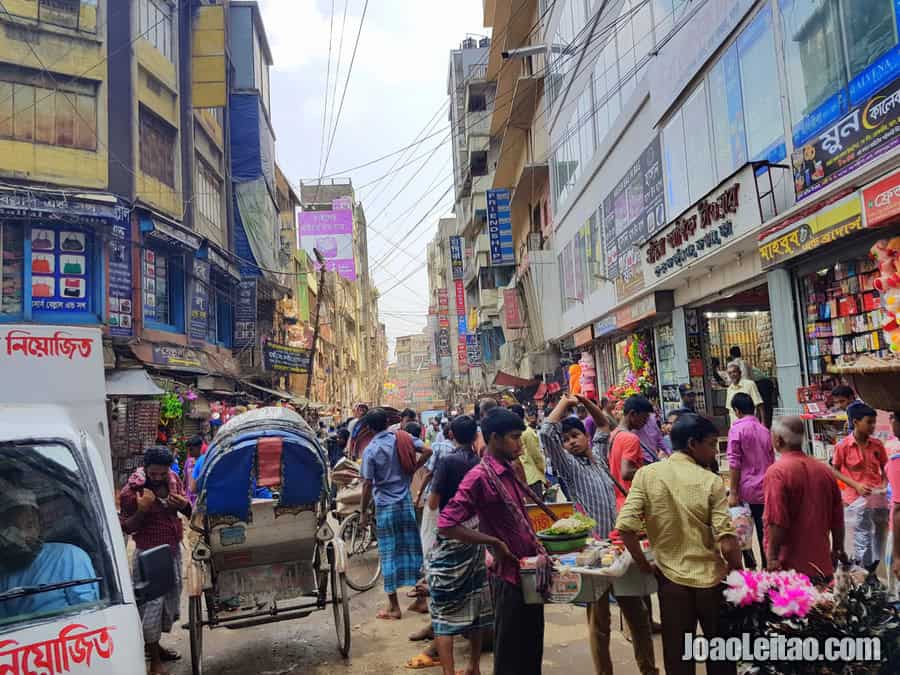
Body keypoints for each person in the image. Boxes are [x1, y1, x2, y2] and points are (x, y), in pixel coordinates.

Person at [616, 413, 741, 675]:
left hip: (671, 581)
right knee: (720, 653)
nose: (714, 452)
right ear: (693, 444)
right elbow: (727, 542)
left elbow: (625, 527)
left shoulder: (647, 475)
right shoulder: (711, 481)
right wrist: (736, 571)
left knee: (678, 656)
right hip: (712, 582)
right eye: (711, 444)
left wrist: (644, 564)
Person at [541, 395, 656, 675]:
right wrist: (565, 403)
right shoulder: (569, 467)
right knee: (599, 622)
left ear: (585, 436)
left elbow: (605, 425)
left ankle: (649, 670)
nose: (571, 442)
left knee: (638, 615)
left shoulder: (600, 461)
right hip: (593, 554)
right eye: (566, 439)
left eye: (576, 435)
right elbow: (546, 432)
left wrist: (585, 401)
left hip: (618, 547)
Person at [438, 409, 543, 675]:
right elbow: (447, 523)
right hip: (508, 577)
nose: (520, 444)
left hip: (529, 572)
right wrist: (492, 543)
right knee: (509, 654)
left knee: (532, 649)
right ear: (494, 438)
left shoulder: (509, 469)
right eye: (515, 438)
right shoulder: (479, 476)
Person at [426, 415, 491, 675]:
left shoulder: (448, 462)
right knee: (475, 605)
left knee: (442, 612)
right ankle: (473, 666)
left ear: (451, 434)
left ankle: (449, 672)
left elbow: (433, 503)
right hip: (475, 539)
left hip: (450, 536)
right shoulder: (480, 463)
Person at [119, 446, 190, 674]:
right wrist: (142, 510)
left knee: (167, 604)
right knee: (151, 608)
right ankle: (154, 663)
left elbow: (189, 510)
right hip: (149, 556)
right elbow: (125, 527)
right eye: (153, 474)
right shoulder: (131, 492)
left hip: (173, 550)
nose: (158, 478)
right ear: (146, 469)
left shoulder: (174, 479)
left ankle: (155, 647)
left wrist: (184, 506)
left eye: (162, 473)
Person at [359, 408, 428, 620]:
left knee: (388, 553)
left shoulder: (371, 450)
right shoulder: (404, 437)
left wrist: (363, 512)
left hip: (385, 507)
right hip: (405, 503)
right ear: (389, 421)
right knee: (413, 550)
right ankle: (421, 600)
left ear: (369, 428)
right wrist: (413, 468)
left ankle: (394, 607)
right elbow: (428, 451)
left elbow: (367, 485)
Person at [0, 482, 99, 621]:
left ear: (39, 525)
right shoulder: (4, 571)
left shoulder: (70, 557)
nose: (22, 535)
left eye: (29, 525)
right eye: (14, 528)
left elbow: (91, 616)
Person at [764, 417, 844, 580]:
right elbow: (838, 518)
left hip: (791, 569)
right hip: (822, 565)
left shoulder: (777, 472)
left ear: (778, 440)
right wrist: (837, 549)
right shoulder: (824, 471)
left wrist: (772, 558)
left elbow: (776, 520)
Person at [831, 404, 889, 567]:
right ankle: (864, 570)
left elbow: (885, 468)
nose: (873, 426)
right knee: (862, 536)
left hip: (877, 497)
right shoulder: (843, 446)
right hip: (856, 499)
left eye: (874, 423)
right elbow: (834, 471)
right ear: (856, 422)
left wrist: (884, 484)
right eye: (869, 422)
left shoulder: (877, 444)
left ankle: (873, 568)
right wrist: (855, 485)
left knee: (879, 534)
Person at [727, 392, 775, 570]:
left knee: (742, 532)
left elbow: (734, 462)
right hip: (765, 489)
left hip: (745, 490)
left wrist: (733, 492)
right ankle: (767, 569)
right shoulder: (764, 430)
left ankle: (751, 567)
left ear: (737, 411)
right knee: (765, 533)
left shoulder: (737, 429)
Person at [609, 395, 654, 511]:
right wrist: (652, 472)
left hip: (618, 501)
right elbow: (626, 472)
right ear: (633, 414)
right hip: (631, 501)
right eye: (644, 418)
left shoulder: (614, 434)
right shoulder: (631, 438)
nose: (646, 423)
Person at [510, 404, 546, 500]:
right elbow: (536, 456)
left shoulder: (513, 433)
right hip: (531, 477)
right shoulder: (527, 432)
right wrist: (542, 472)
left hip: (524, 477)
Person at [184, 435, 205, 506]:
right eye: (188, 449)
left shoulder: (204, 461)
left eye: (191, 449)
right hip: (188, 497)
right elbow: (185, 479)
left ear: (199, 447)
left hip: (199, 498)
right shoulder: (188, 461)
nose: (189, 452)